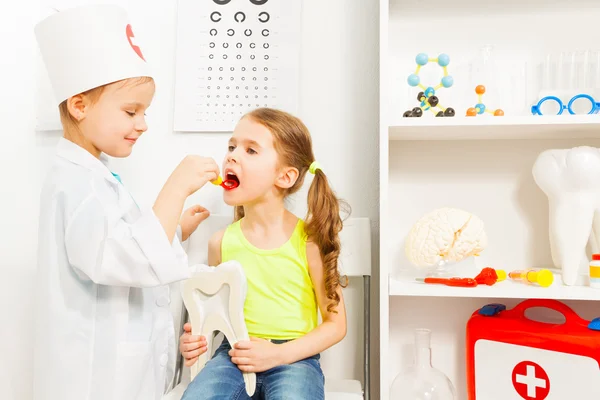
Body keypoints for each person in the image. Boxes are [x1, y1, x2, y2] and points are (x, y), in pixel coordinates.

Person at [32, 5, 212, 400]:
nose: (143, 124)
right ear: (79, 106)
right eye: (131, 111)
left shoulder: (97, 176)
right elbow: (126, 258)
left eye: (144, 112)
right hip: (94, 375)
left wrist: (175, 228)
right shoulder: (77, 184)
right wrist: (175, 187)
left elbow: (121, 242)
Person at [178, 108, 350, 399]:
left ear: (284, 176)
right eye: (231, 147)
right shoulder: (219, 243)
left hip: (295, 359)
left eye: (250, 150)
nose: (232, 155)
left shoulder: (309, 242)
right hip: (233, 355)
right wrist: (194, 339)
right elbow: (215, 315)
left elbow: (336, 325)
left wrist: (278, 355)